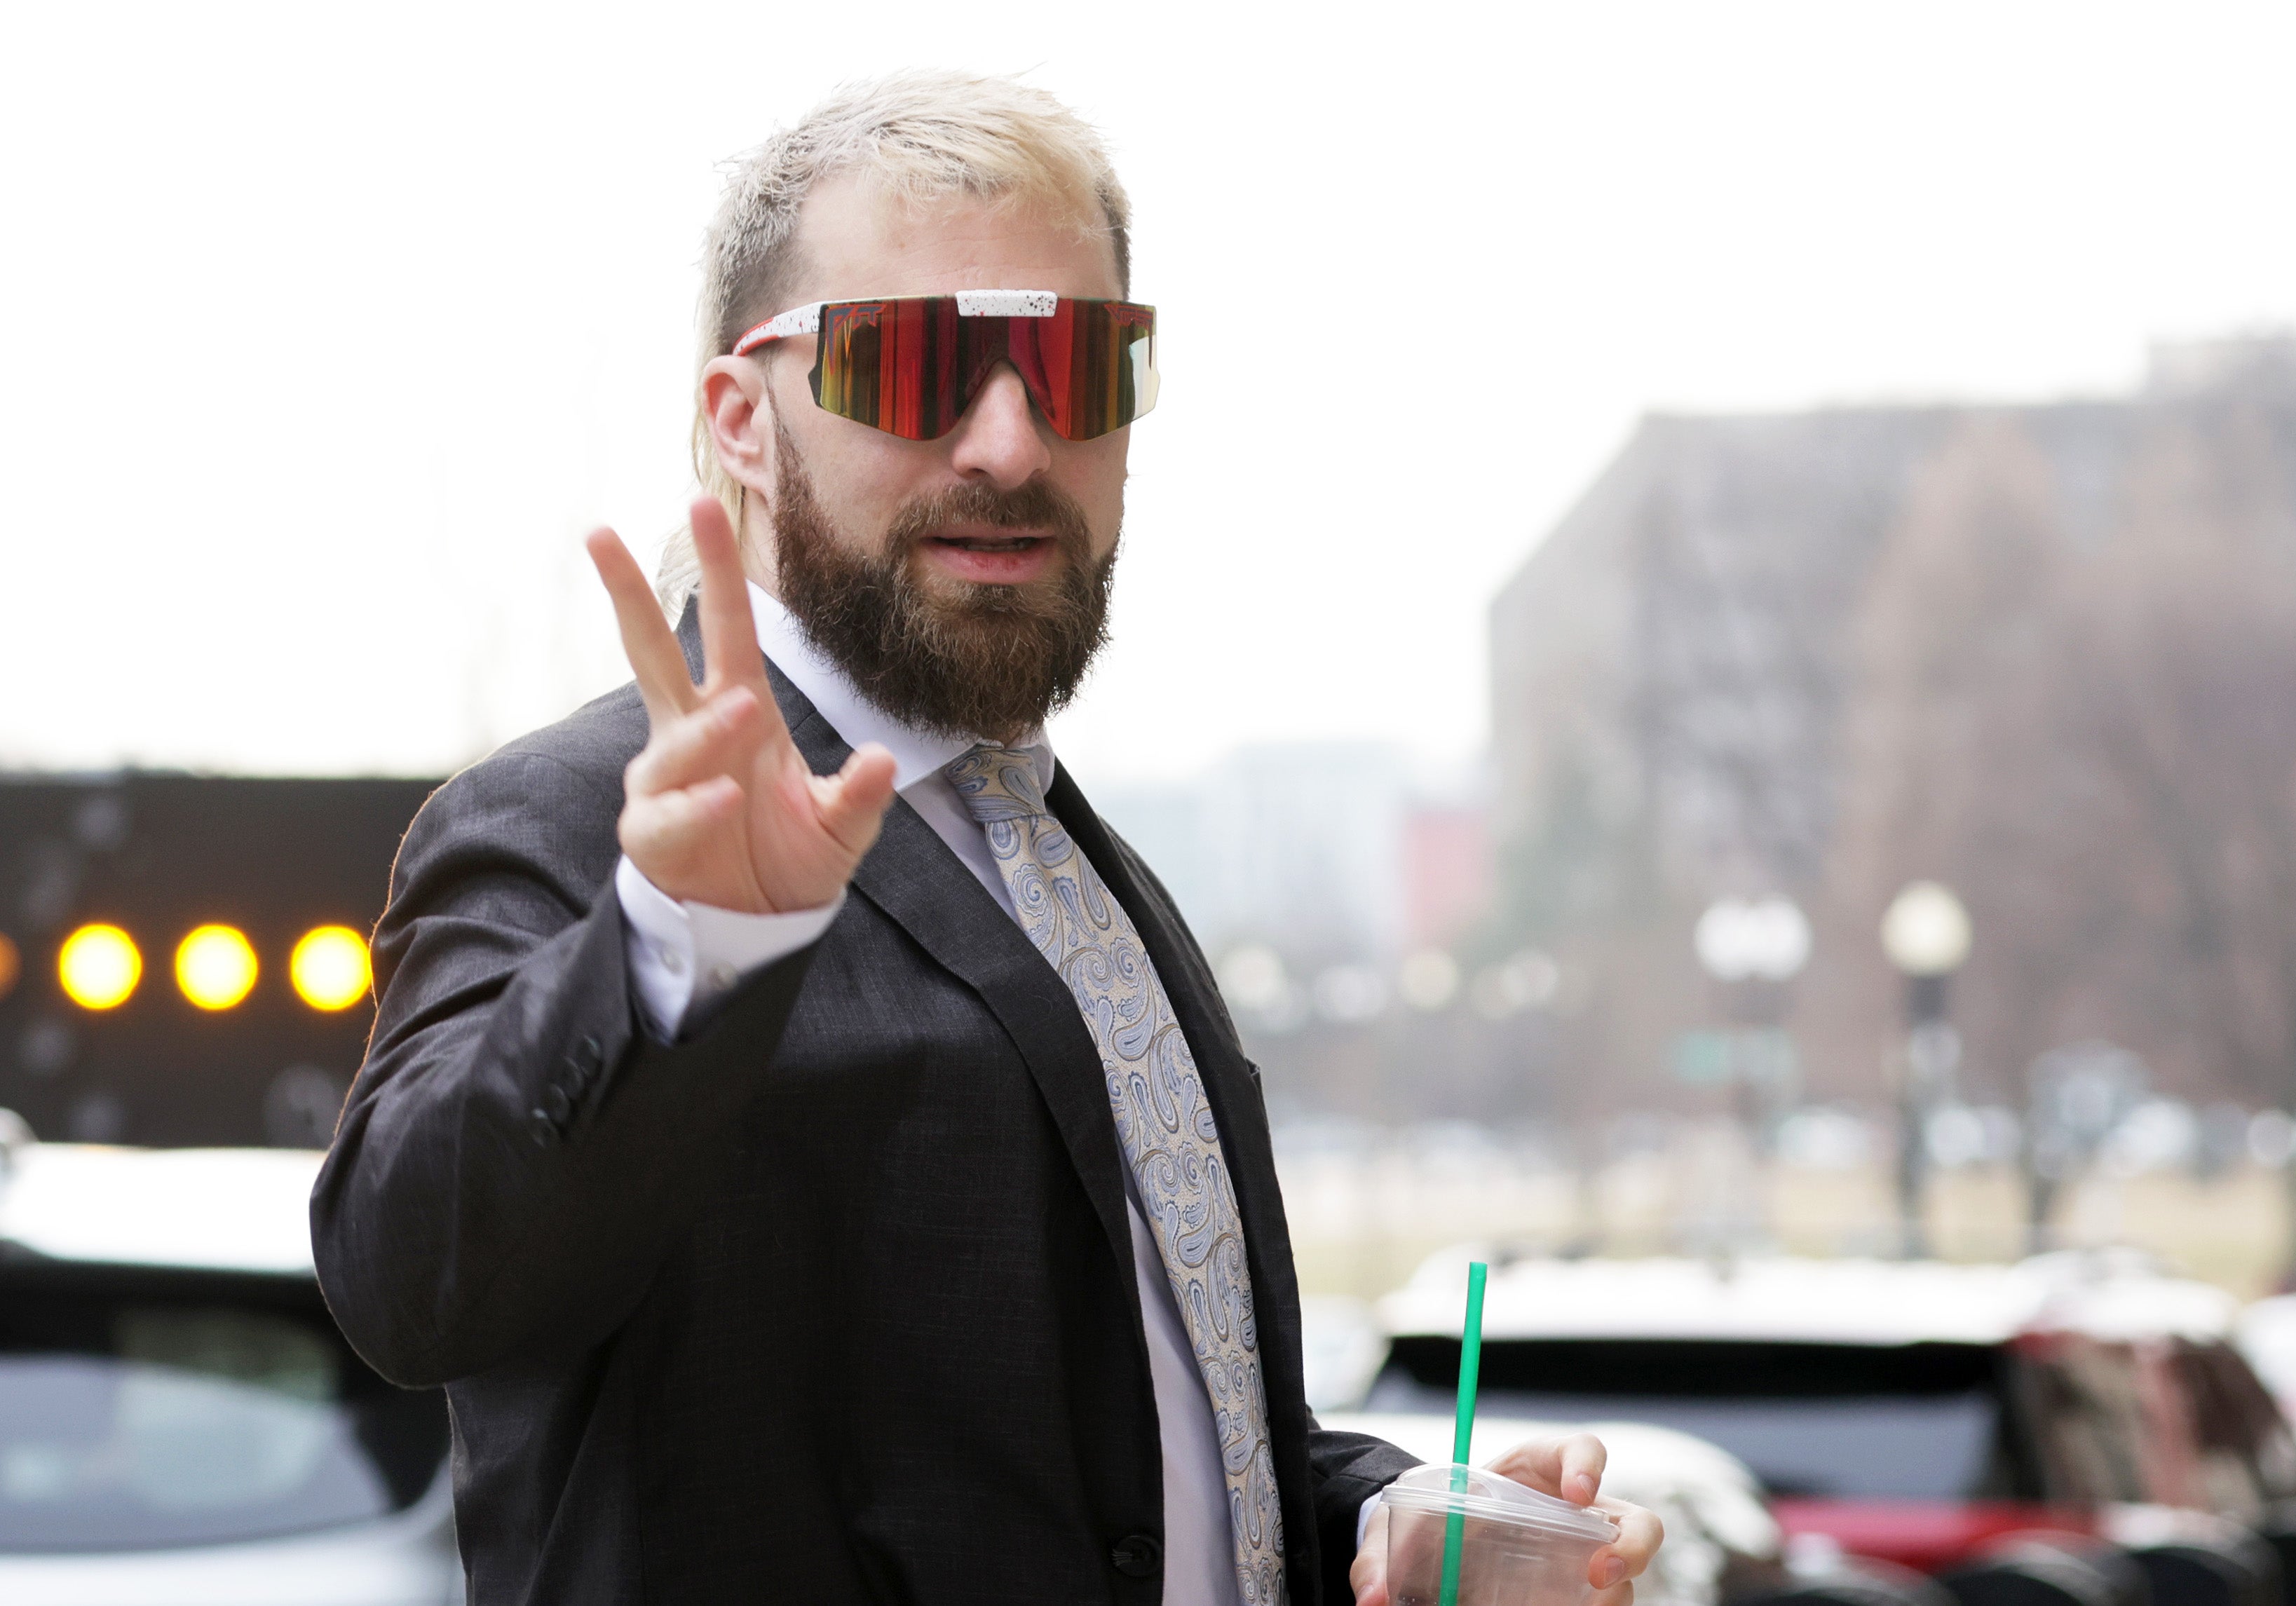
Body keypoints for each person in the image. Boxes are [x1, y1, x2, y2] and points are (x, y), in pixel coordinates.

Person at [311, 70, 1662, 1606]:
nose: (1013, 445)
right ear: (739, 422)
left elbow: (1137, 1451)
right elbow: (408, 1282)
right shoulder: (577, 827)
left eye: (1079, 369)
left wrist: (1377, 1519)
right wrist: (674, 948)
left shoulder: (1076, 867)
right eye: (918, 369)